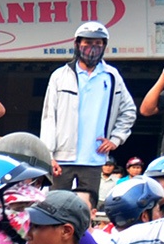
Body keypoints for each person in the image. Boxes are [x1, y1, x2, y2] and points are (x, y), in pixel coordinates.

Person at [40, 22, 136, 202]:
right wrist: (48, 156)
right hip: (62, 158)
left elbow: (129, 110)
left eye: (98, 44)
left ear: (104, 46)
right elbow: (48, 117)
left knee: (86, 210)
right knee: (54, 206)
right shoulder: (60, 76)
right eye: (88, 43)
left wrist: (116, 139)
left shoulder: (112, 76)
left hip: (94, 158)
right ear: (77, 44)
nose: (93, 48)